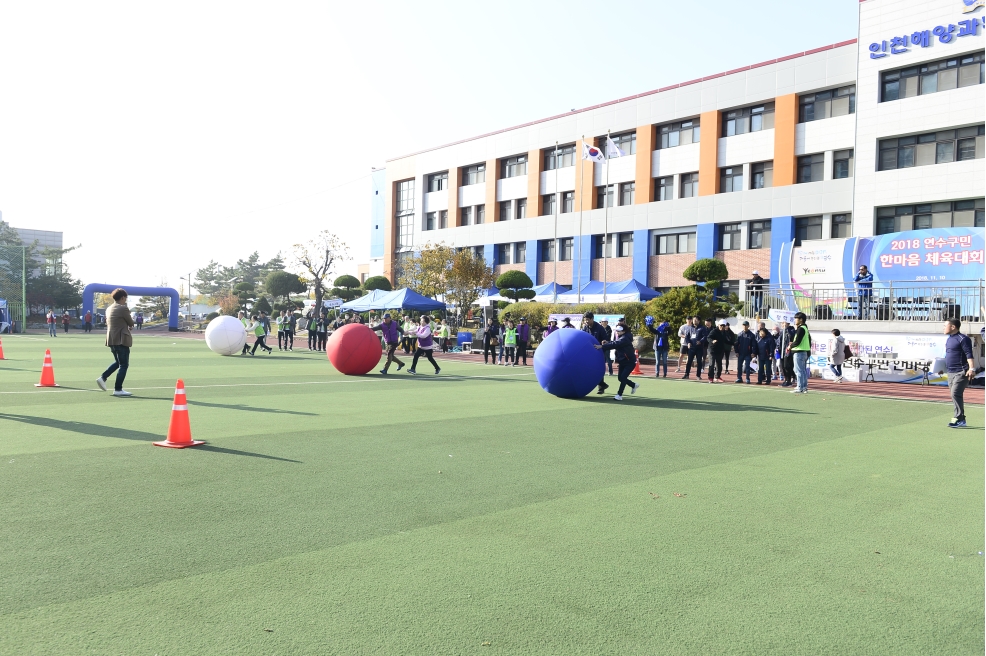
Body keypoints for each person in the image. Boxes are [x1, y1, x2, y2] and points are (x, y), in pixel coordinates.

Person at [96, 288, 135, 397]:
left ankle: (103, 377)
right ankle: (118, 389)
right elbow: (131, 322)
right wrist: (129, 325)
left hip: (111, 339)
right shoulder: (123, 308)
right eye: (125, 298)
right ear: (122, 297)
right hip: (121, 339)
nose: (125, 300)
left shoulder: (109, 308)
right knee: (124, 365)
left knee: (118, 362)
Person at [944, 318, 975, 428]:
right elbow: (949, 355)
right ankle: (961, 419)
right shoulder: (949, 339)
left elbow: (969, 354)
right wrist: (942, 368)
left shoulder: (963, 339)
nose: (943, 328)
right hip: (950, 372)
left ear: (953, 327)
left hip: (961, 372)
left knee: (955, 393)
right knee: (955, 395)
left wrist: (972, 369)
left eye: (945, 326)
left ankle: (958, 418)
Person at [595, 324, 640, 400]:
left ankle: (619, 395)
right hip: (622, 361)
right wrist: (608, 342)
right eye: (617, 331)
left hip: (630, 362)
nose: (617, 332)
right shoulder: (622, 337)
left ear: (624, 331)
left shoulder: (625, 338)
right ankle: (633, 385)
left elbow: (616, 344)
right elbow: (616, 342)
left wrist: (602, 346)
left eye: (619, 331)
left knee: (623, 377)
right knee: (620, 378)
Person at [581, 312, 610, 395]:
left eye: (587, 320)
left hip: (599, 352)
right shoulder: (585, 328)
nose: (586, 321)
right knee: (587, 369)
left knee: (598, 369)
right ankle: (602, 384)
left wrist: (604, 342)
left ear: (592, 319)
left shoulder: (600, 328)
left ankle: (601, 388)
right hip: (588, 352)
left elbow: (606, 339)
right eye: (585, 320)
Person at [786, 312, 811, 393]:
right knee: (802, 370)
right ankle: (804, 387)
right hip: (804, 352)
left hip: (799, 352)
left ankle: (800, 387)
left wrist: (790, 346)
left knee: (798, 370)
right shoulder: (805, 328)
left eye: (796, 318)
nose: (795, 320)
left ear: (801, 320)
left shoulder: (801, 329)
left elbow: (797, 341)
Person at [778, 321, 796, 387]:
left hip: (788, 351)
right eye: (782, 323)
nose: (783, 324)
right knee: (783, 366)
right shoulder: (782, 331)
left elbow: (792, 337)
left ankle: (789, 380)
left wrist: (787, 329)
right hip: (782, 351)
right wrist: (777, 347)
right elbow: (779, 340)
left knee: (787, 366)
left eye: (784, 323)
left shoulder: (792, 330)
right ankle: (786, 380)